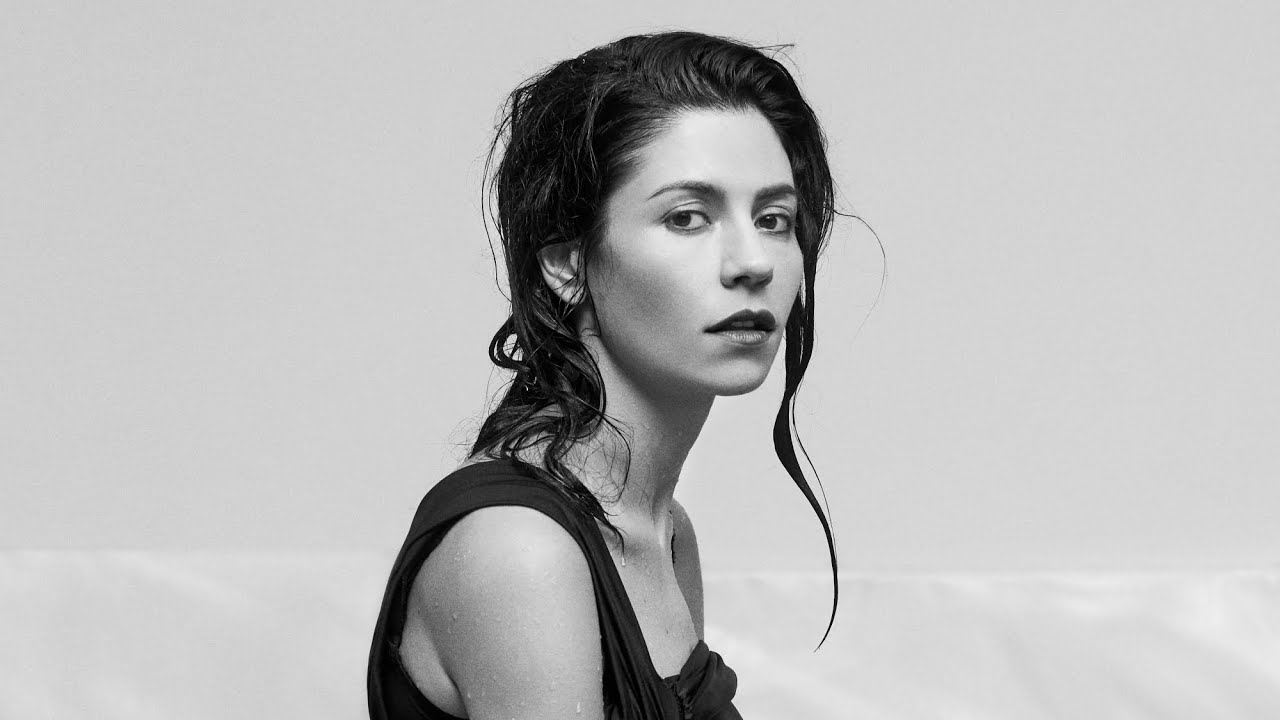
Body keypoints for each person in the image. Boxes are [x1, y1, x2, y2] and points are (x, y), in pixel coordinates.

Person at [368, 30, 839, 720]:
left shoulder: (664, 532)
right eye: (687, 218)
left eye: (775, 219)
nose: (753, 262)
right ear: (566, 264)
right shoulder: (522, 552)